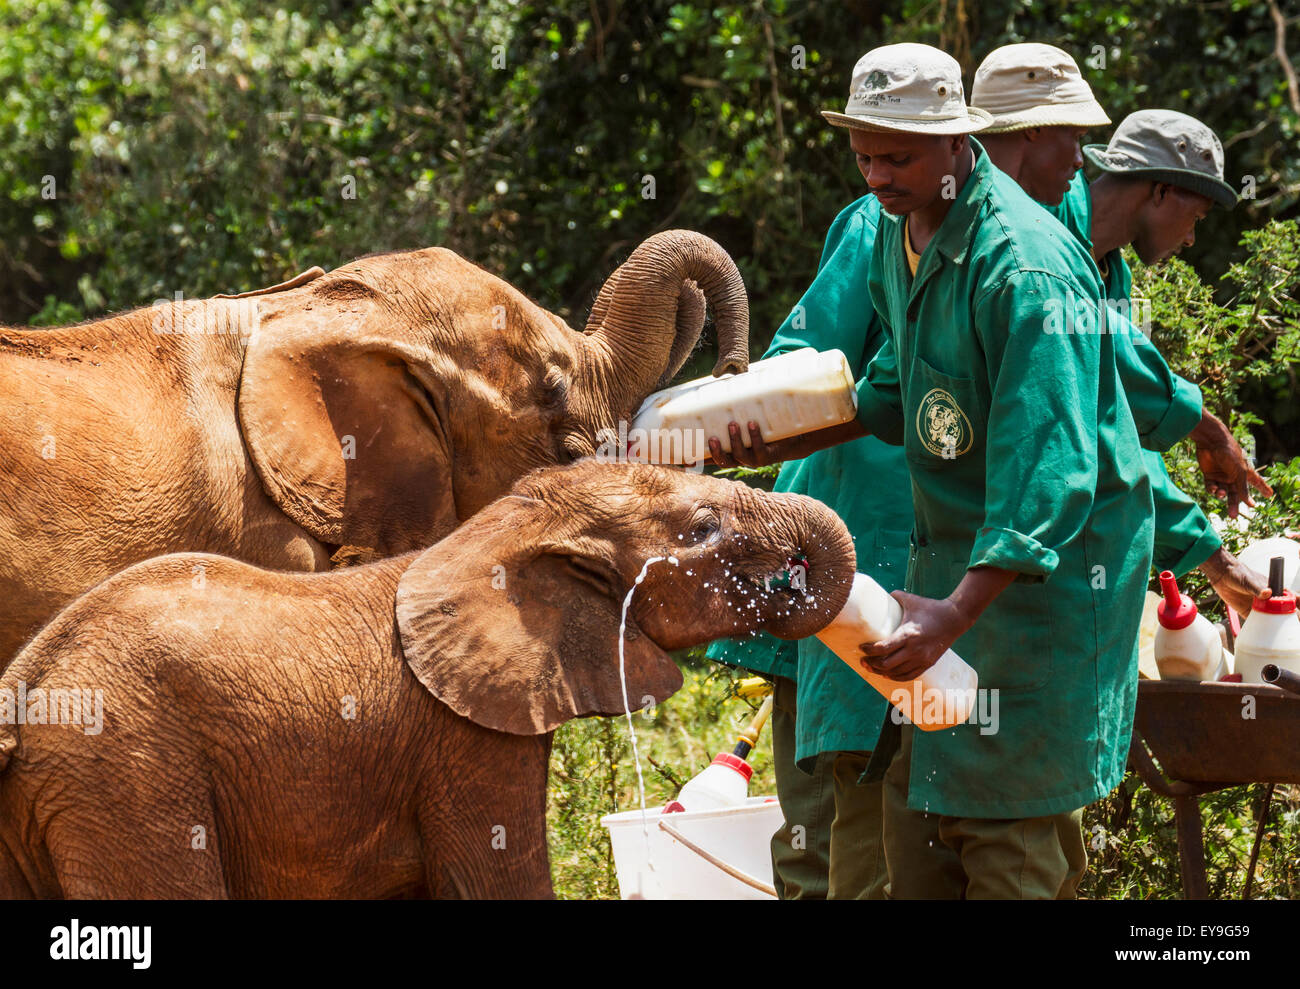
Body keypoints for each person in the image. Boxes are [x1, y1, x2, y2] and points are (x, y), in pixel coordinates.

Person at [814, 41, 1154, 899]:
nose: (877, 176)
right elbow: (890, 392)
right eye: (864, 155)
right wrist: (746, 440)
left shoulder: (1026, 266)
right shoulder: (904, 235)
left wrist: (958, 612)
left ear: (960, 144)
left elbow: (1055, 472)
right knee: (919, 818)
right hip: (945, 591)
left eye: (898, 156)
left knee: (1013, 834)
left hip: (1035, 597)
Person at [970, 45, 1270, 615]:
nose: (1190, 240)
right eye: (1195, 219)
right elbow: (1119, 384)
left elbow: (1116, 425)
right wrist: (1207, 430)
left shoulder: (1111, 273)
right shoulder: (1040, 234)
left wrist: (1214, 559)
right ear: (1159, 190)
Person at [706, 188, 907, 899]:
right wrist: (749, 416)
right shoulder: (881, 219)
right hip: (840, 544)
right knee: (831, 818)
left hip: (904, 561)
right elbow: (806, 358)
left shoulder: (1035, 233)